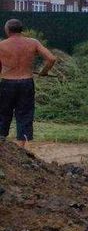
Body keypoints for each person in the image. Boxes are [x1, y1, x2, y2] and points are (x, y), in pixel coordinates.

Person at [0, 19, 57, 149]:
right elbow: (51, 58)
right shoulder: (33, 42)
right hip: (26, 82)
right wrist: (43, 72)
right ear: (21, 29)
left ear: (7, 30)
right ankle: (22, 148)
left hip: (7, 83)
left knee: (3, 113)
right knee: (25, 114)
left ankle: (1, 146)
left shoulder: (1, 45)